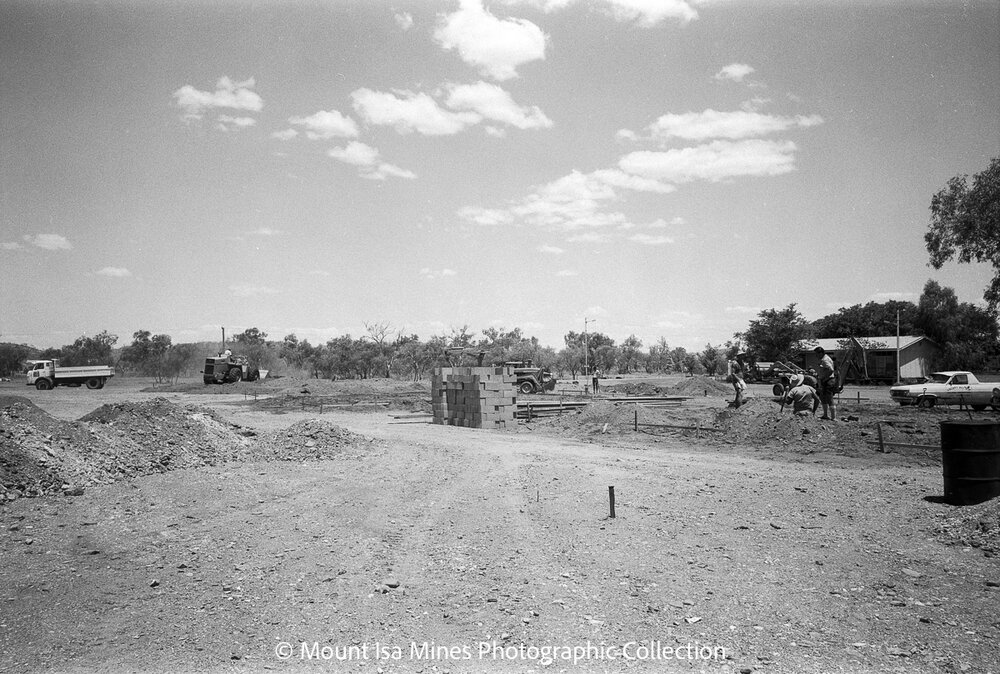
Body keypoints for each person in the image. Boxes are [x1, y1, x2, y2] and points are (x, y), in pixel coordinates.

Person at [813, 346, 836, 420]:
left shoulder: (825, 360)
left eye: (817, 354)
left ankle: (833, 417)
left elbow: (831, 370)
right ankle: (825, 415)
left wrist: (825, 378)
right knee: (823, 397)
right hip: (824, 380)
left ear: (821, 353)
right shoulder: (824, 359)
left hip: (828, 380)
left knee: (829, 398)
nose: (816, 356)